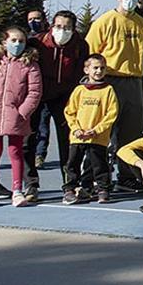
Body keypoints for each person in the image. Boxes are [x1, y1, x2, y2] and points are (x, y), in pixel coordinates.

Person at [86, 0, 143, 190]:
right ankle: (96, 176)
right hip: (110, 79)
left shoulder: (142, 25)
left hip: (134, 81)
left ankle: (126, 176)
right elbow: (91, 52)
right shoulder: (104, 21)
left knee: (131, 132)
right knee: (103, 130)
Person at [0, 27, 42, 207]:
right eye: (13, 40)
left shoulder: (30, 65)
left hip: (16, 117)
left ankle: (17, 191)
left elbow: (34, 92)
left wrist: (22, 112)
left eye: (21, 41)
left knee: (16, 152)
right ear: (4, 43)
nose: (17, 44)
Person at [24, 10, 86, 194]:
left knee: (68, 141)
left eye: (67, 27)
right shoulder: (37, 42)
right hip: (38, 95)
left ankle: (70, 184)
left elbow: (82, 73)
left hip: (64, 97)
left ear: (74, 29)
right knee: (28, 139)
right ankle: (30, 183)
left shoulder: (80, 45)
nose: (62, 30)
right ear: (51, 26)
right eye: (58, 26)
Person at [61, 54, 119, 205]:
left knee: (99, 165)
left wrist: (97, 130)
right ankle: (70, 190)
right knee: (73, 164)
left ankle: (102, 190)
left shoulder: (108, 90)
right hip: (78, 137)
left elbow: (111, 114)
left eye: (102, 68)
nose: (99, 71)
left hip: (98, 137)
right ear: (86, 70)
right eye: (95, 68)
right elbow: (69, 111)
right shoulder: (79, 90)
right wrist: (76, 129)